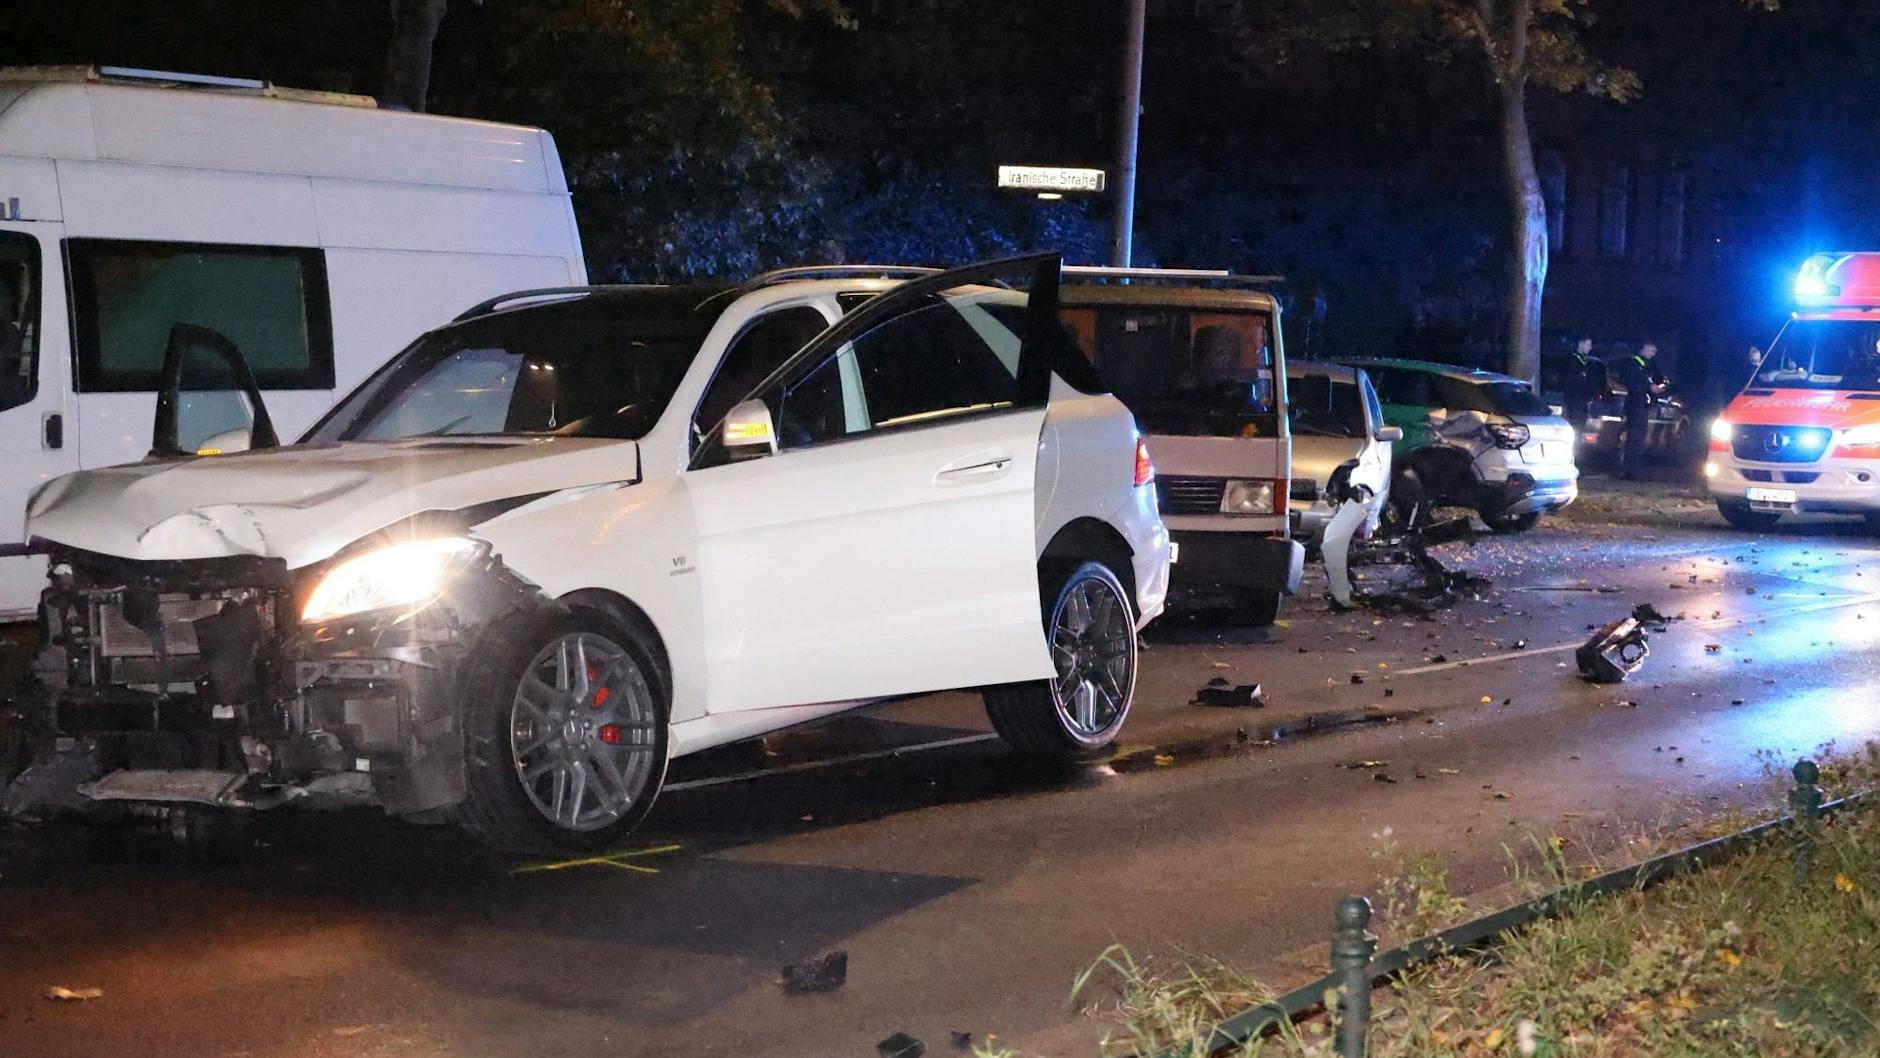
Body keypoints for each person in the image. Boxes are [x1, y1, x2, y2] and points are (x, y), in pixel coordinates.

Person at [1614, 342, 1661, 479]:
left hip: (1642, 405)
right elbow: (1634, 384)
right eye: (1651, 350)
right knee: (1635, 438)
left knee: (1639, 438)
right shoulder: (1633, 364)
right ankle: (1630, 471)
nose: (1653, 354)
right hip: (1635, 405)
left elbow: (1656, 378)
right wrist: (1649, 387)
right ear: (1644, 348)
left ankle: (1633, 470)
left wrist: (1655, 388)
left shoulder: (1647, 365)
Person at [1563, 337, 1598, 429]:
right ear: (1580, 344)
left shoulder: (1586, 362)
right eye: (1588, 345)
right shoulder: (1573, 361)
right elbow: (1573, 382)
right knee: (1575, 427)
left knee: (1580, 427)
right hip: (1575, 403)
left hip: (1582, 402)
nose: (1590, 348)